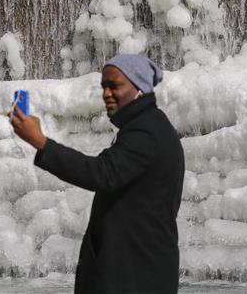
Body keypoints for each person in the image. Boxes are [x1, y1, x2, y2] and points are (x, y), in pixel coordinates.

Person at [10, 54, 185, 294]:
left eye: (115, 86)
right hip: (137, 268)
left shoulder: (146, 133)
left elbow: (101, 173)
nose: (106, 94)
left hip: (136, 274)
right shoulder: (146, 126)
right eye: (104, 86)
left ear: (140, 88)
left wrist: (41, 142)